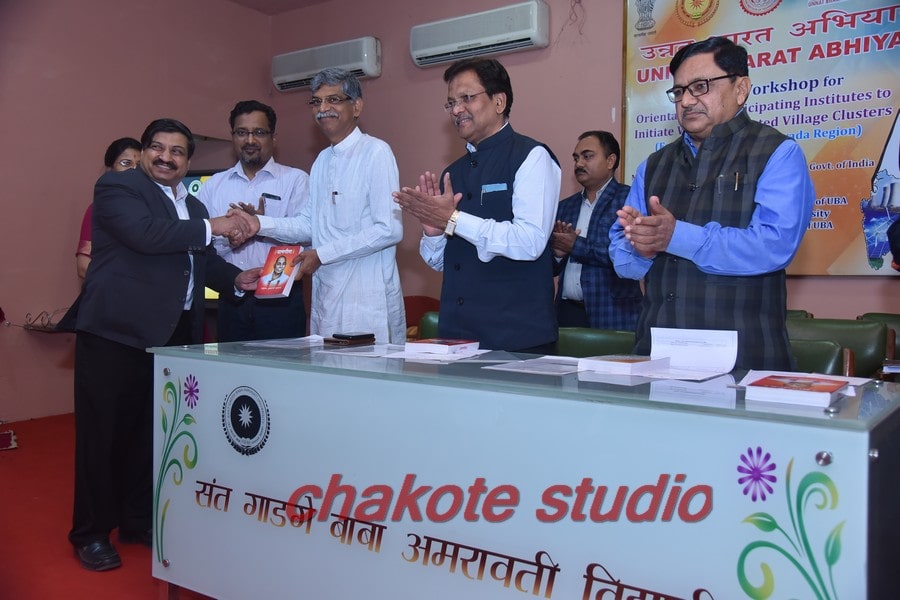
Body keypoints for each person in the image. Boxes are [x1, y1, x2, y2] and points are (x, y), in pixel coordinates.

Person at [67, 118, 259, 572]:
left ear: (188, 161)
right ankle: (91, 533)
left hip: (170, 339)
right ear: (144, 152)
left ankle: (137, 520)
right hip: (114, 334)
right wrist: (216, 225)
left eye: (176, 151)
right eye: (157, 148)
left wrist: (236, 279)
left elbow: (199, 260)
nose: (165, 157)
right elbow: (148, 236)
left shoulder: (191, 206)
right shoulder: (119, 188)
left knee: (151, 435)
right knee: (102, 437)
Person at [609, 36, 815, 370]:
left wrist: (675, 236)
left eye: (700, 87)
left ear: (741, 88)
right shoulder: (653, 165)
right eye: (679, 91)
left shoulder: (777, 152)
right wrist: (641, 249)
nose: (687, 101)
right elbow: (623, 262)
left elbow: (774, 245)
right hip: (658, 352)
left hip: (745, 355)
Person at [393, 58, 561, 353]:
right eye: (451, 103)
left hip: (516, 338)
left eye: (466, 98)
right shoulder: (453, 173)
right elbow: (444, 263)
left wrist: (453, 219)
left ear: (499, 101)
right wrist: (434, 232)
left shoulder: (532, 156)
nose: (456, 110)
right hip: (456, 336)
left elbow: (530, 241)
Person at [230, 68, 406, 343]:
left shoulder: (376, 152)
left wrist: (322, 254)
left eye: (333, 100)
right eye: (316, 101)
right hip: (327, 297)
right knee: (324, 369)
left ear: (356, 106)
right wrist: (258, 224)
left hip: (366, 300)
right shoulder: (322, 160)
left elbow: (389, 230)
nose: (323, 109)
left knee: (367, 370)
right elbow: (308, 225)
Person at [198, 100, 310, 341]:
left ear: (273, 137)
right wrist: (233, 238)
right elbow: (203, 247)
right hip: (232, 299)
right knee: (232, 366)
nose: (250, 140)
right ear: (233, 137)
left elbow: (307, 233)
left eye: (259, 132)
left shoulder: (296, 180)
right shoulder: (213, 186)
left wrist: (260, 224)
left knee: (283, 366)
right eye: (242, 132)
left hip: (281, 301)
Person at [552, 130, 641, 330]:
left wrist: (575, 245)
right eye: (576, 158)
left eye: (587, 156)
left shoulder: (628, 200)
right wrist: (557, 254)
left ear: (610, 161)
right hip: (567, 313)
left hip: (614, 314)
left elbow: (627, 256)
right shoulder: (565, 206)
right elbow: (550, 268)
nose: (579, 164)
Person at [76, 137, 142, 280]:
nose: (133, 170)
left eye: (139, 165)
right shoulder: (99, 209)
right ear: (109, 169)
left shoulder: (153, 209)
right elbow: (83, 267)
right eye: (126, 163)